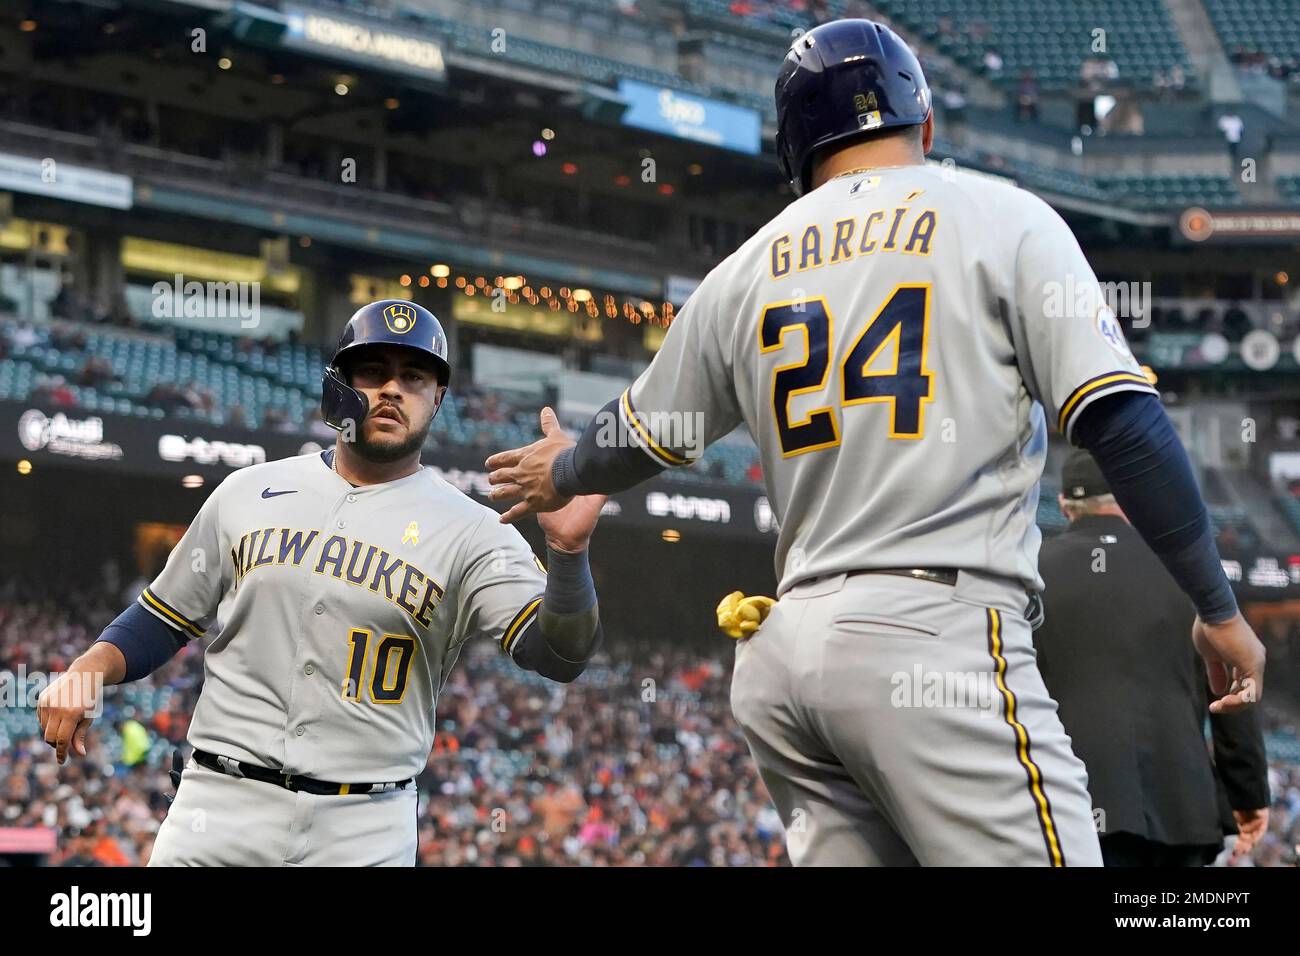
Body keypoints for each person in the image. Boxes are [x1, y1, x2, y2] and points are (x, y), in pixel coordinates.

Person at [484, 19, 1266, 866]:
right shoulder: (1002, 215)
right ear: (924, 126)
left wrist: (560, 470)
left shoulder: (743, 270)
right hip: (937, 633)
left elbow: (638, 436)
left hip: (787, 660)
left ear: (794, 153)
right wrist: (1218, 612)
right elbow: (1124, 423)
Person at [37, 300, 608, 866]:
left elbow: (559, 653)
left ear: (439, 399)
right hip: (220, 808)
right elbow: (163, 618)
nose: (391, 389)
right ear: (339, 384)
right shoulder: (248, 491)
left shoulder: (475, 530)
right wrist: (90, 666)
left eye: (413, 377)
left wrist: (568, 553)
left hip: (364, 831)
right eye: (373, 371)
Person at [1035, 450, 1270, 866]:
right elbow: (1233, 692)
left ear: (1064, 505)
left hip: (1062, 806)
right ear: (1130, 498)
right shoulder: (1192, 571)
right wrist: (1247, 793)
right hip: (1180, 809)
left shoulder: (1031, 574)